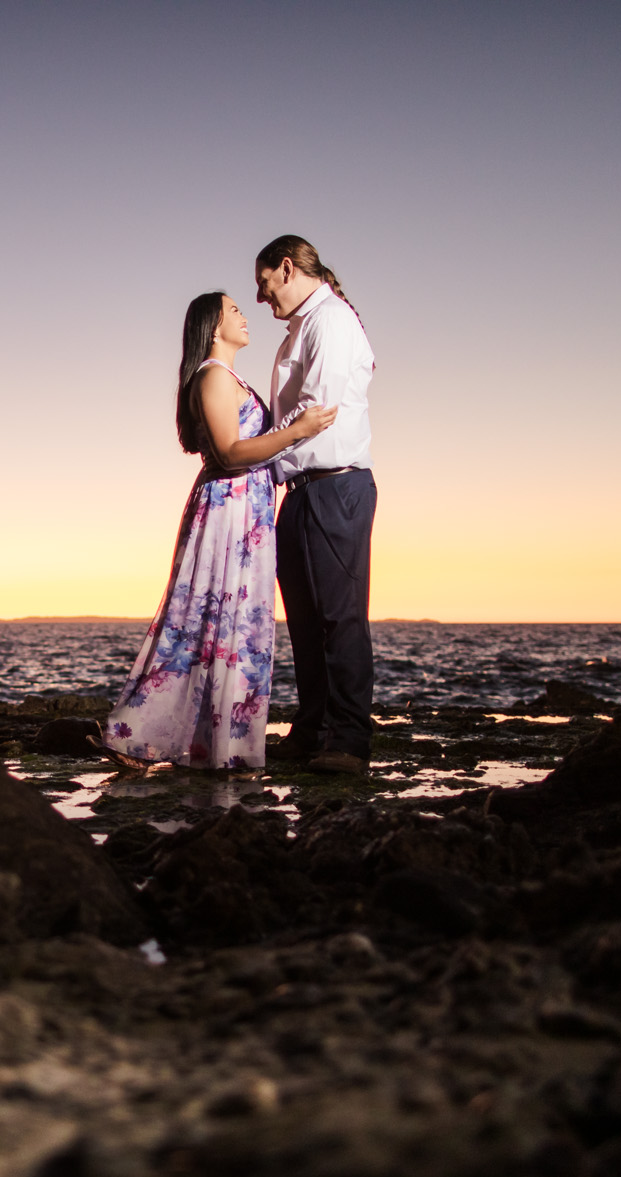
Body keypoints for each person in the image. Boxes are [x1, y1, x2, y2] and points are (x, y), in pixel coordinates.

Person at [103, 292, 337, 769]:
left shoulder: (230, 378)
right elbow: (230, 452)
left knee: (233, 624)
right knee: (203, 618)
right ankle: (138, 733)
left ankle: (215, 742)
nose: (245, 317)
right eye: (234, 311)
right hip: (227, 508)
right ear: (213, 326)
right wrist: (299, 430)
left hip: (246, 510)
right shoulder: (212, 376)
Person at [254, 234, 378, 775]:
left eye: (263, 284)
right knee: (304, 621)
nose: (262, 299)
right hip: (301, 489)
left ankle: (349, 741)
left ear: (286, 268)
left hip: (335, 485)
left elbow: (315, 410)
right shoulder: (299, 330)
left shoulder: (329, 320)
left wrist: (255, 462)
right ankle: (311, 730)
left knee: (339, 618)